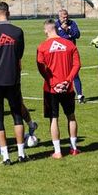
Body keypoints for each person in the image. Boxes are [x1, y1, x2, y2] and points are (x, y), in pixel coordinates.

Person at [0, 2, 27, 165]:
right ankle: (21, 153)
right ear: (8, 12)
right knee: (17, 115)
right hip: (13, 79)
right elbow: (19, 53)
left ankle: (6, 156)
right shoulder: (18, 31)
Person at [36, 19, 81, 159]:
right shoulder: (69, 44)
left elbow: (41, 68)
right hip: (68, 88)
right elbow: (77, 65)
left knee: (53, 118)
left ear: (46, 30)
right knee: (71, 116)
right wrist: (67, 81)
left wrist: (52, 83)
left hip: (51, 89)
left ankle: (58, 151)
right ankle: (74, 148)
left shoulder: (42, 47)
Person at [55, 9, 84, 103]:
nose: (66, 18)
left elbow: (78, 35)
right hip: (60, 53)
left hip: (72, 51)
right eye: (63, 17)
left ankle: (80, 95)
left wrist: (68, 30)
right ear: (59, 17)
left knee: (75, 73)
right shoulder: (56, 25)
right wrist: (69, 35)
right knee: (61, 73)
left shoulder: (72, 23)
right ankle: (62, 93)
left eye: (67, 16)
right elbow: (58, 38)